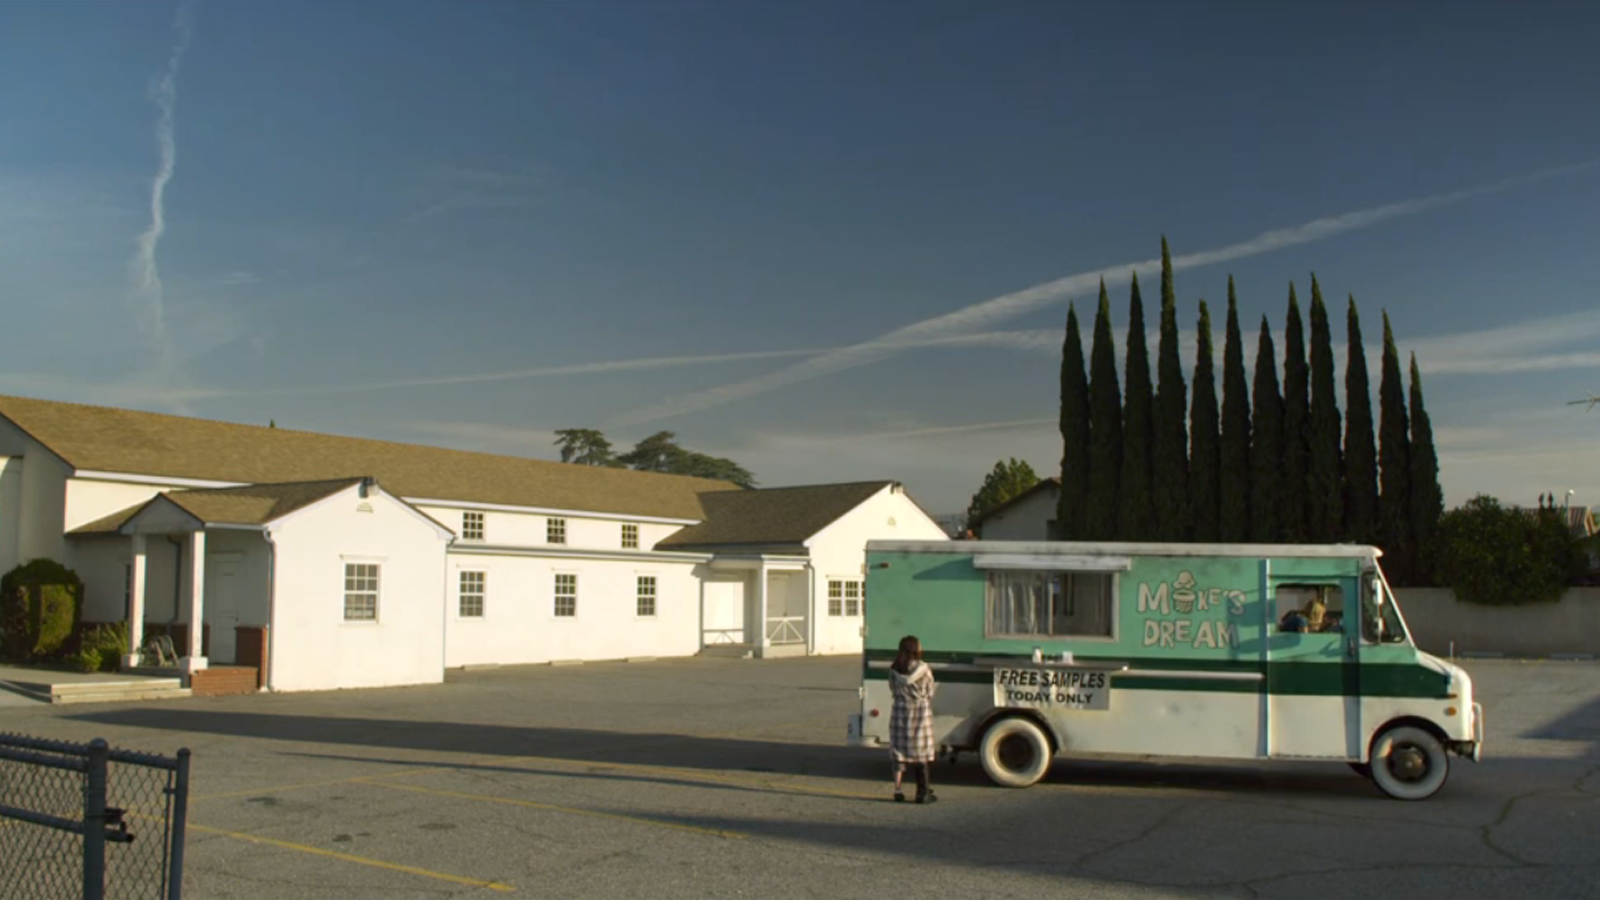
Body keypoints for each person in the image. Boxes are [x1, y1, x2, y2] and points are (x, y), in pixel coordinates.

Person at [889, 634, 938, 803]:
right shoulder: (924, 668)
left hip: (899, 711)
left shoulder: (894, 668)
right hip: (920, 712)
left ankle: (898, 790)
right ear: (915, 649)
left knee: (899, 752)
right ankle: (922, 793)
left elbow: (892, 689)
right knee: (921, 752)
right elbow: (930, 691)